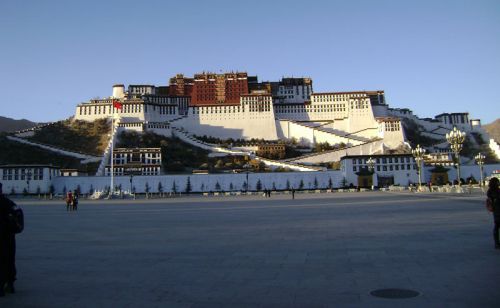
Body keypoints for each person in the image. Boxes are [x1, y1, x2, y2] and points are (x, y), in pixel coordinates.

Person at [0, 183, 17, 296]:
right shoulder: (7, 202)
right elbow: (17, 212)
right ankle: (9, 283)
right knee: (9, 260)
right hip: (8, 237)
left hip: (5, 236)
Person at [486, 177, 500, 249]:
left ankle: (497, 243)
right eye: (497, 182)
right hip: (498, 210)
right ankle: (497, 243)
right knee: (497, 226)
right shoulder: (495, 190)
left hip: (495, 211)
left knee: (497, 226)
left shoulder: (490, 190)